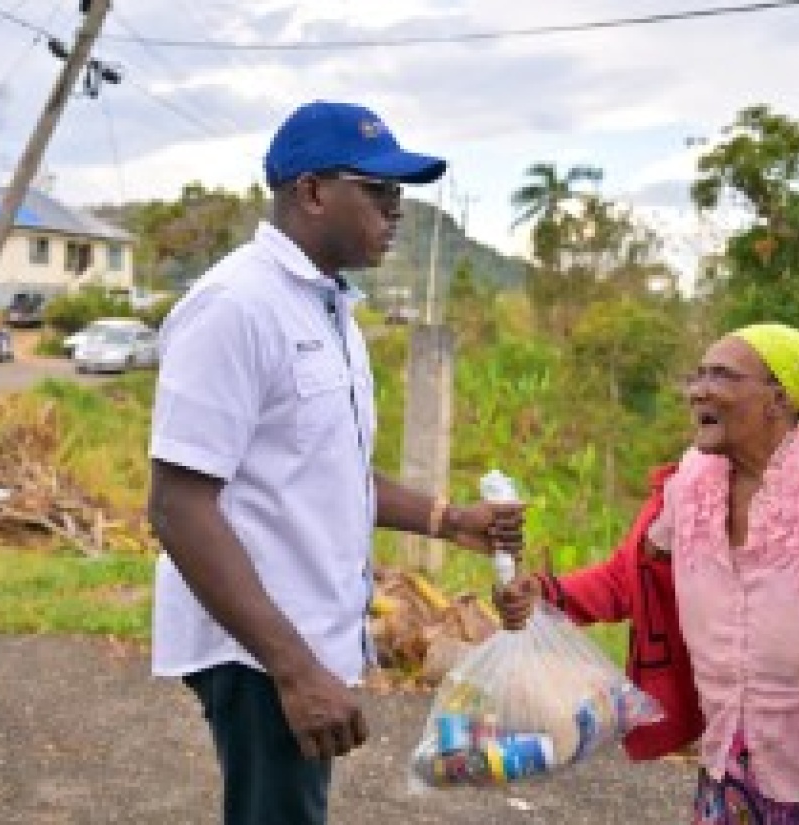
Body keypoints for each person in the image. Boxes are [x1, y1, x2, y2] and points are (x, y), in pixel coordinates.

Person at [147, 100, 523, 825]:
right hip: (256, 644)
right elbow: (176, 505)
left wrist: (451, 520)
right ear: (313, 191)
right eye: (378, 191)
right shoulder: (237, 305)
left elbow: (328, 472)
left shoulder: (327, 310)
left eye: (400, 194)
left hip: (303, 630)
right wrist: (293, 668)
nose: (396, 210)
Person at [497, 323, 799, 825]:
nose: (698, 390)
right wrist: (544, 593)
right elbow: (631, 578)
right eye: (697, 375)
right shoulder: (690, 482)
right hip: (733, 773)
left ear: (778, 400)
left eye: (722, 376)